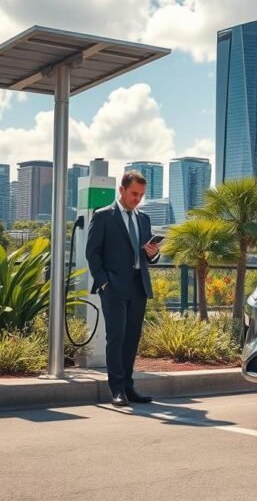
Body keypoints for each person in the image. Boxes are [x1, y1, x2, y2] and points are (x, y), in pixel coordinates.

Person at [86, 171, 161, 406]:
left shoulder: (144, 219)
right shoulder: (103, 216)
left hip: (139, 286)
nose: (137, 199)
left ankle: (129, 387)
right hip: (114, 287)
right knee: (116, 338)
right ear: (122, 190)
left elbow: (149, 256)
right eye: (134, 194)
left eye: (141, 195)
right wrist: (104, 282)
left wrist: (154, 253)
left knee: (132, 339)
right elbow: (92, 253)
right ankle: (116, 389)